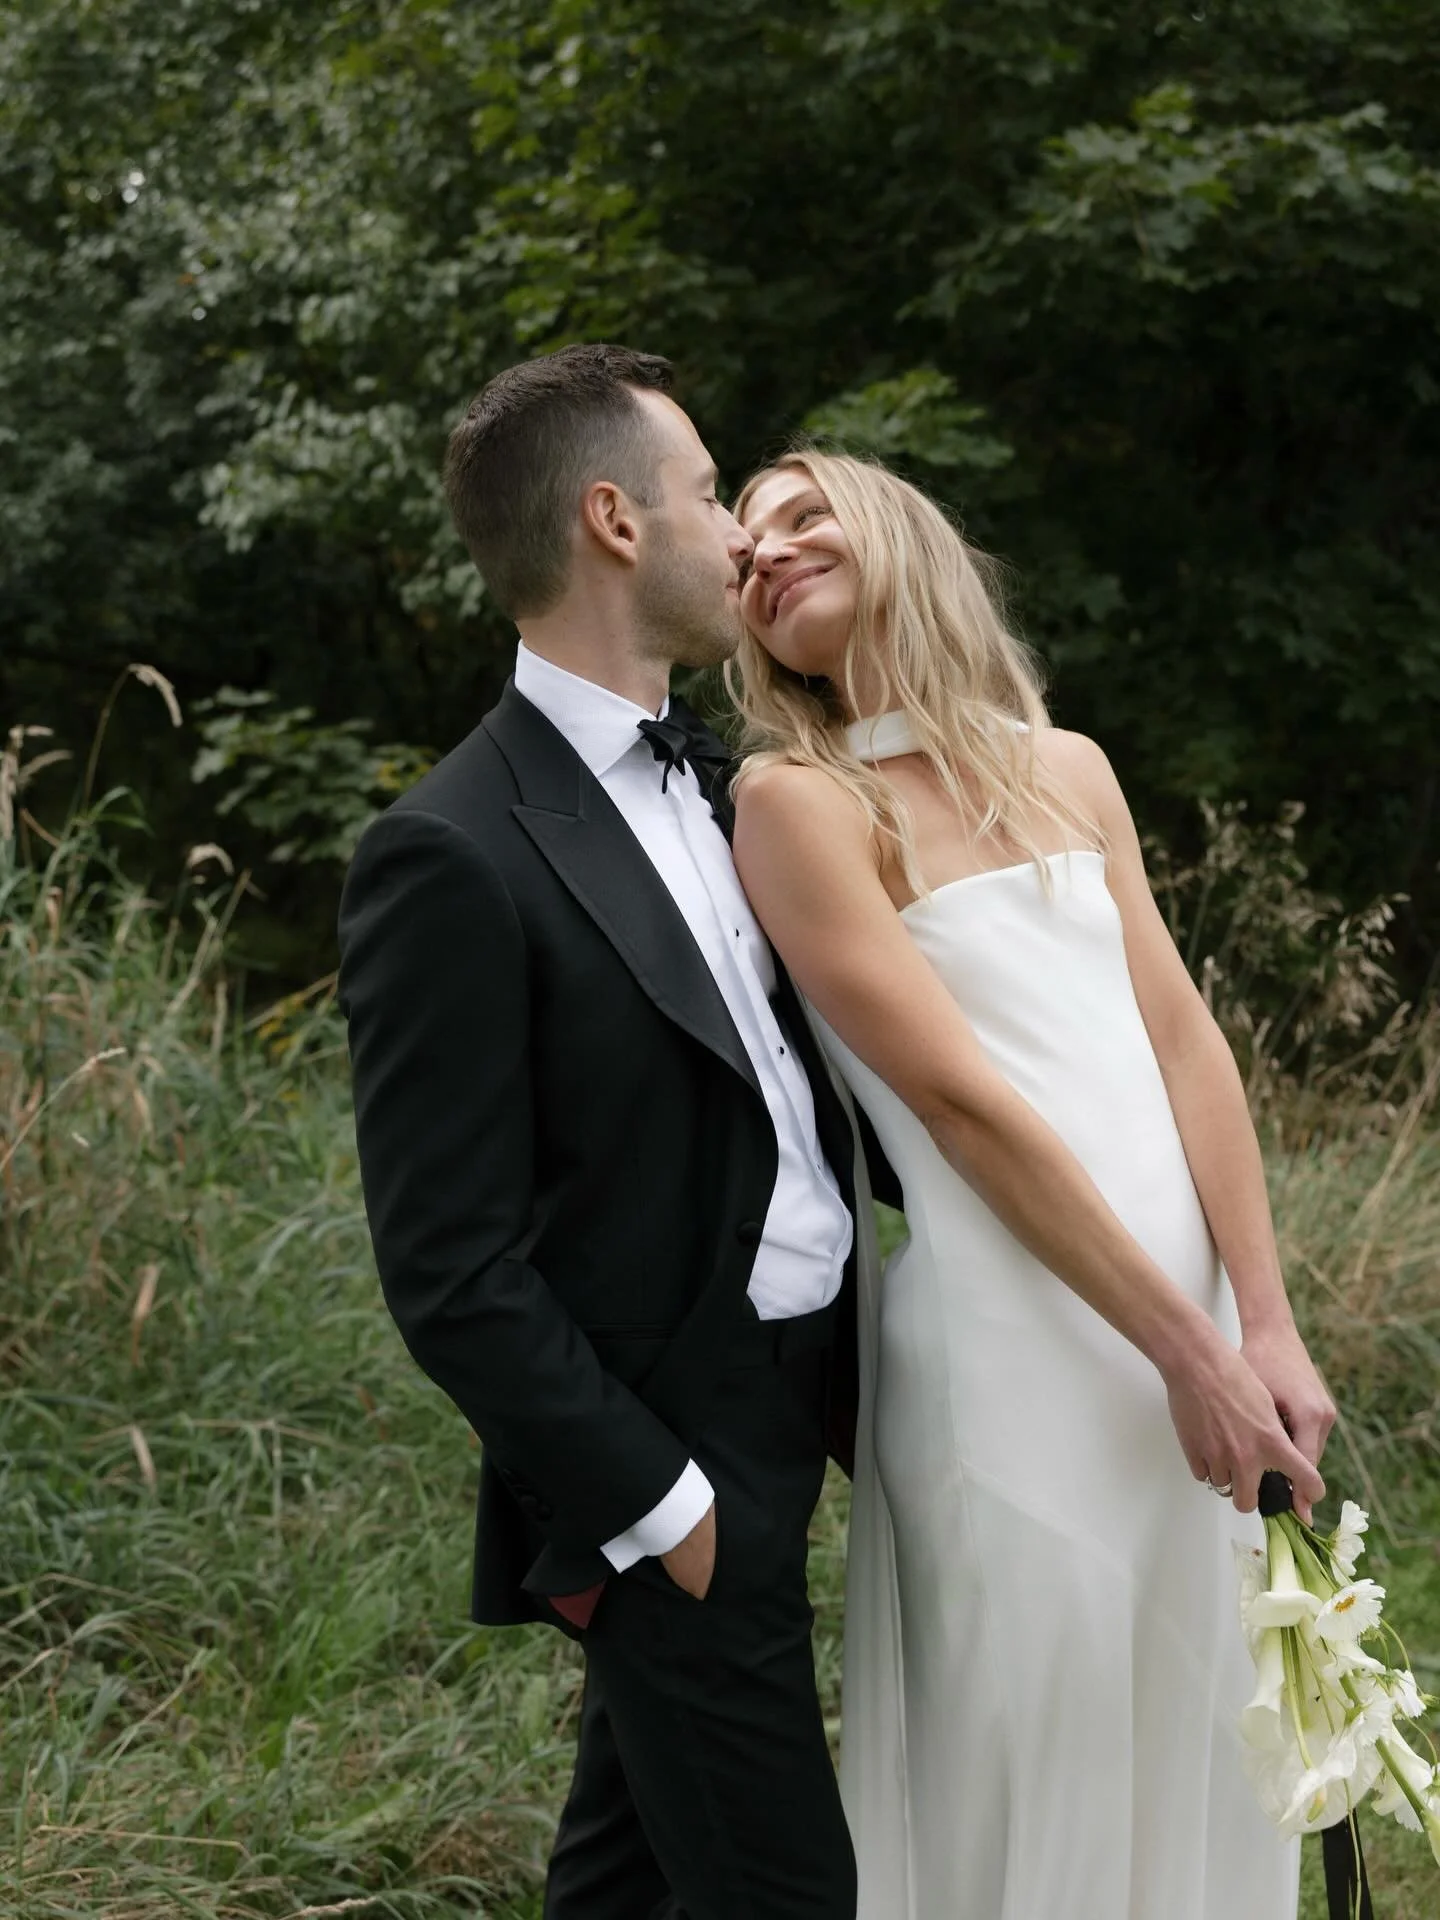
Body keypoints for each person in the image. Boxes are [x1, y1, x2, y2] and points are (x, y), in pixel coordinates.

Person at [726, 447, 1336, 1919]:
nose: (767, 552)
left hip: (1193, 1335)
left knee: (1210, 1723)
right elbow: (960, 1105)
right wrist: (1188, 1354)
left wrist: (1261, 1323)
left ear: (896, 531)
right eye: (742, 547)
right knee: (1045, 1738)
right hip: (1017, 1353)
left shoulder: (1065, 766)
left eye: (802, 513)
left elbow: (1184, 1041)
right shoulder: (796, 802)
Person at [336, 346, 866, 1920]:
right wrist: (663, 1506)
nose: (742, 534)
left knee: (625, 1875)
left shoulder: (725, 781)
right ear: (616, 522)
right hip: (673, 1455)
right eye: (710, 494)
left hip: (803, 1400)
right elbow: (451, 1269)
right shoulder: (449, 854)